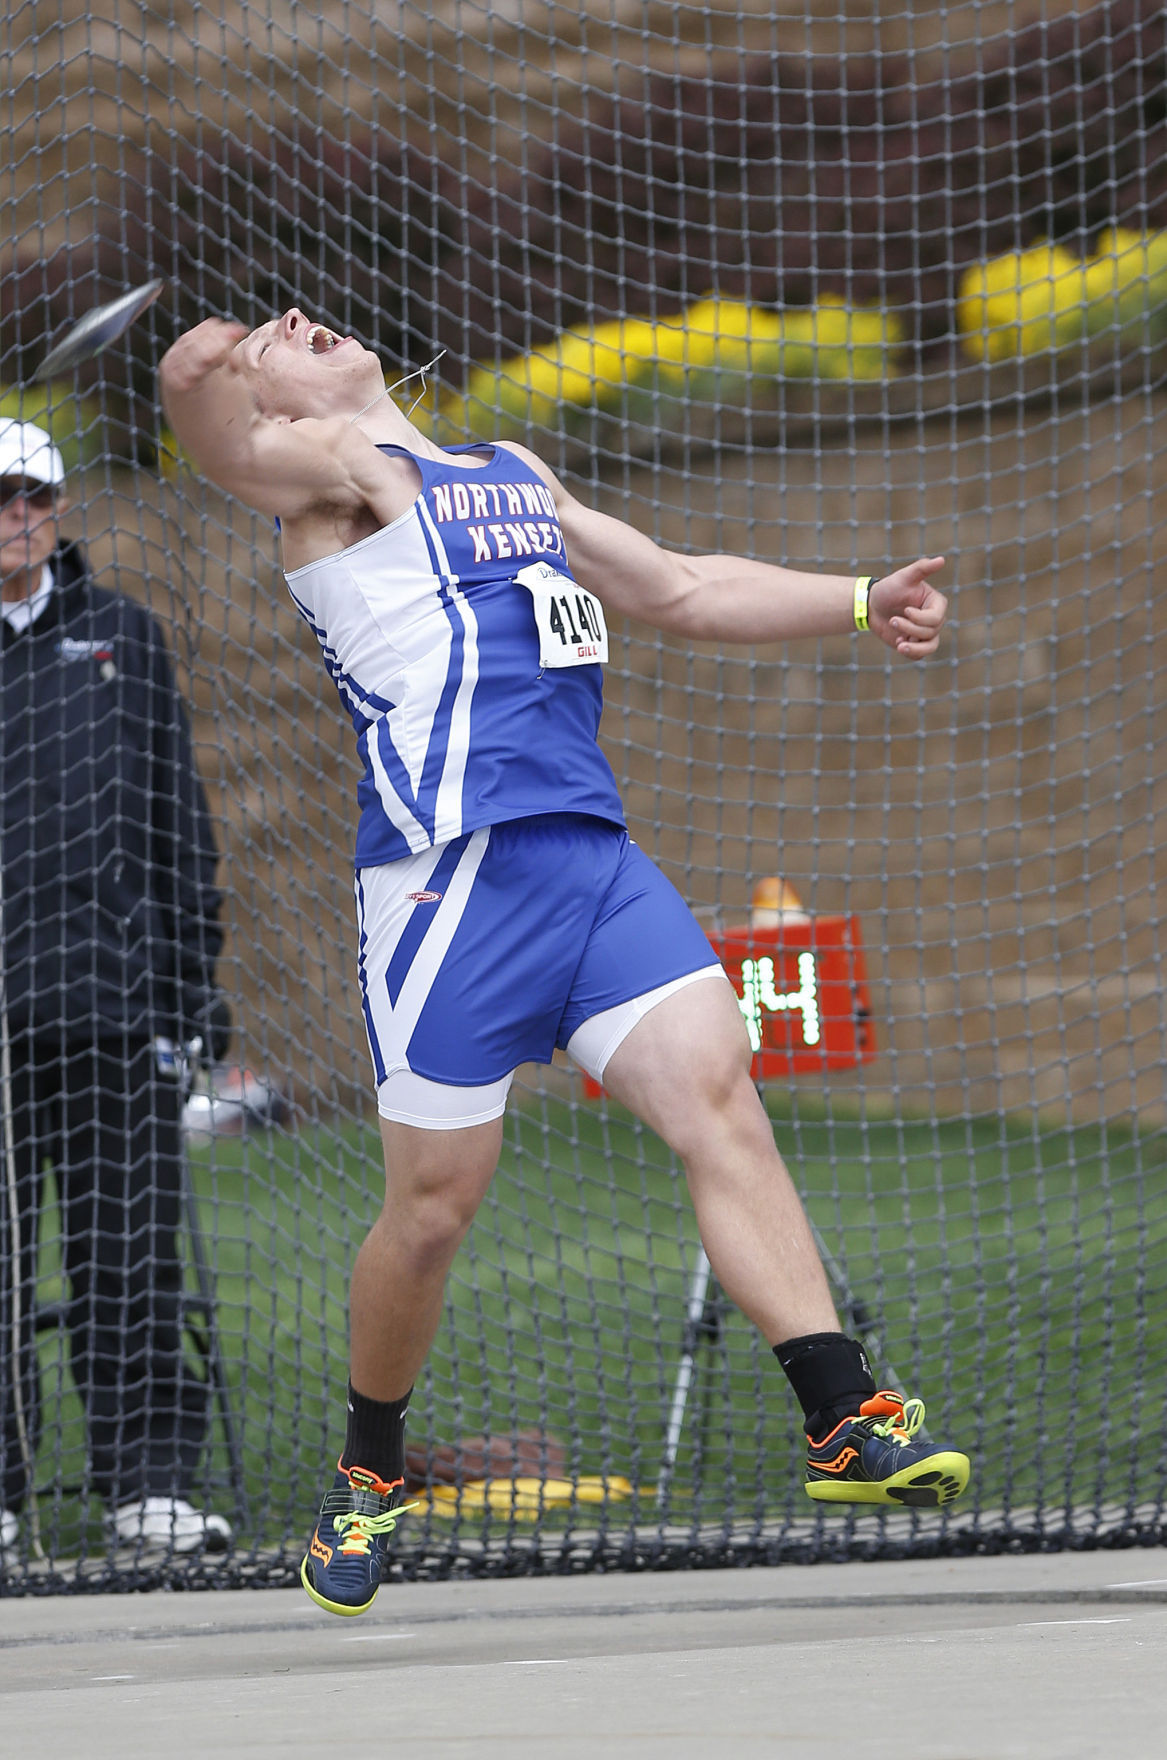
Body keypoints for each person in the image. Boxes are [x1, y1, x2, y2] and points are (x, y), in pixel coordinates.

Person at [160, 310, 970, 1616]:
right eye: (275, 337)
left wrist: (862, 597)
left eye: (305, 319)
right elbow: (227, 454)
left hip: (591, 863)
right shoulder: (331, 477)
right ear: (277, 401)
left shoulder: (509, 475)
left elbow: (677, 587)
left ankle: (843, 1416)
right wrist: (191, 380)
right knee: (431, 1210)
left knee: (720, 1102)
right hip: (449, 884)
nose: (299, 323)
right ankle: (369, 1466)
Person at [0, 418, 233, 1558]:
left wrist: (192, 983)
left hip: (112, 1007)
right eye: (1, 497)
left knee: (130, 1262)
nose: (20, 516)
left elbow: (174, 822)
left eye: (35, 495)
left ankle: (145, 1484)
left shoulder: (122, 637)